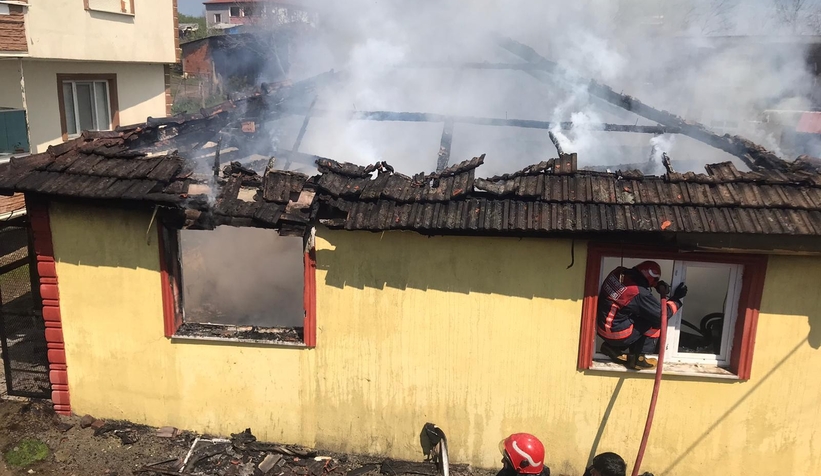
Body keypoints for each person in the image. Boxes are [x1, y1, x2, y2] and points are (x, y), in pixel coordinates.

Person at [596, 260, 687, 370]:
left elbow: (637, 282)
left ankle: (610, 347)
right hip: (616, 333)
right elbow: (662, 314)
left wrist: (655, 284)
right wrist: (676, 299)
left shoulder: (618, 273)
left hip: (602, 327)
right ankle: (639, 359)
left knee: (634, 314)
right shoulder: (638, 293)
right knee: (656, 320)